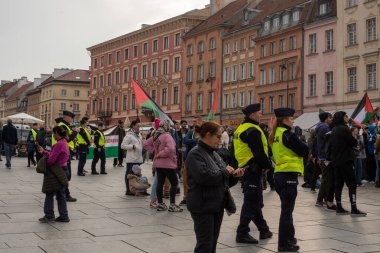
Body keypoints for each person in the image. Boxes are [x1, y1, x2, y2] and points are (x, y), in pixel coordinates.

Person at [186, 121, 239, 253]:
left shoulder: (214, 153)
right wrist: (225, 172)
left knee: (212, 243)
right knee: (205, 244)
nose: (220, 140)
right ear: (208, 135)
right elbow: (204, 177)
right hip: (202, 205)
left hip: (216, 204)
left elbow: (222, 180)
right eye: (218, 136)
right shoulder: (195, 154)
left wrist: (234, 176)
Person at [269, 108, 309, 252]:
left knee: (287, 209)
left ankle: (289, 238)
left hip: (279, 173)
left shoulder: (275, 134)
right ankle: (284, 244)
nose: (293, 121)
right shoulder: (288, 134)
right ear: (285, 120)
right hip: (288, 175)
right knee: (287, 211)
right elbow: (304, 150)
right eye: (291, 118)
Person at [234, 103, 273, 244]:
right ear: (252, 115)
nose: (260, 115)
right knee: (251, 202)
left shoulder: (241, 128)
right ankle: (242, 233)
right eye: (259, 113)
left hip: (246, 167)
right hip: (253, 168)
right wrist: (268, 166)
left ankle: (264, 230)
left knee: (255, 201)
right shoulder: (253, 130)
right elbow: (259, 152)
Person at [330, 111, 366, 216]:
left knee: (339, 184)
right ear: (341, 117)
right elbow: (353, 143)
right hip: (345, 160)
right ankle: (354, 208)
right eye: (346, 116)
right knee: (352, 184)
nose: (347, 117)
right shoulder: (344, 129)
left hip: (336, 161)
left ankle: (339, 207)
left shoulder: (334, 129)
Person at [144, 120, 182, 212]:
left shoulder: (156, 136)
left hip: (158, 164)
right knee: (174, 183)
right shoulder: (167, 136)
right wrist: (160, 153)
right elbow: (171, 149)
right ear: (167, 126)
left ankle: (160, 204)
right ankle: (172, 205)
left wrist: (154, 151)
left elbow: (145, 144)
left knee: (160, 183)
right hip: (168, 164)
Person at [38, 126, 70, 223]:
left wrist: (44, 161)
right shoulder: (64, 142)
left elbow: (51, 160)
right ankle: (64, 216)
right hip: (63, 169)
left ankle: (49, 216)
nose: (53, 135)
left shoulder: (58, 144)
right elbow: (54, 155)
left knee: (49, 192)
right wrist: (44, 151)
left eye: (53, 133)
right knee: (61, 194)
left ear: (56, 133)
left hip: (56, 171)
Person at [52, 110, 77, 202]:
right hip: (63, 152)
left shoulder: (64, 125)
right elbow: (68, 139)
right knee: (65, 175)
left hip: (62, 151)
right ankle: (65, 194)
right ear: (66, 117)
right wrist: (75, 132)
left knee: (64, 174)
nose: (72, 119)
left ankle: (60, 192)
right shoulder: (63, 126)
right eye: (71, 118)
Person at [314, 112, 336, 210]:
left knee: (325, 178)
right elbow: (330, 141)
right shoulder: (324, 128)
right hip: (325, 157)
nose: (331, 119)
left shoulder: (321, 127)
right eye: (330, 117)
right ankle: (319, 200)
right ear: (326, 118)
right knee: (326, 179)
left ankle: (322, 199)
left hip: (322, 156)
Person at [180, 117, 203, 206]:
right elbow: (185, 140)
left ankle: (197, 197)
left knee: (198, 178)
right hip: (188, 158)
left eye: (196, 121)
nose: (195, 123)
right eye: (193, 122)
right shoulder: (191, 132)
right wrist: (196, 141)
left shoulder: (203, 133)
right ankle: (186, 197)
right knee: (186, 178)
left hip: (199, 159)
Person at [121, 120, 143, 195]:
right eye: (138, 126)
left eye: (139, 126)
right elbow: (122, 146)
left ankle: (134, 189)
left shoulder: (139, 135)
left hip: (138, 158)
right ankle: (128, 190)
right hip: (131, 159)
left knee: (136, 175)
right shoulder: (129, 135)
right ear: (133, 126)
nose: (139, 127)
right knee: (129, 174)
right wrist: (132, 146)